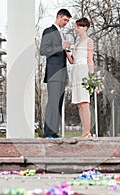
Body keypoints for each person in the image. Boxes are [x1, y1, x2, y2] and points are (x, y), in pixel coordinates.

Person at [40, 9, 72, 138]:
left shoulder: (61, 34)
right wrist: (61, 47)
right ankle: (48, 133)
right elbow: (43, 50)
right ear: (59, 17)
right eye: (65, 20)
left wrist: (66, 76)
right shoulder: (49, 31)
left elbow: (63, 57)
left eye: (68, 21)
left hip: (61, 75)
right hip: (53, 73)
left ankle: (53, 132)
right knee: (52, 102)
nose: (66, 23)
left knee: (58, 103)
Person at [69, 17, 94, 138]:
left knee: (85, 102)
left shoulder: (89, 41)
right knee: (79, 103)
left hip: (84, 71)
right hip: (76, 71)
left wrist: (92, 76)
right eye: (75, 27)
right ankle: (84, 131)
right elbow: (72, 61)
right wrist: (66, 51)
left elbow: (90, 59)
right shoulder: (76, 43)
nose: (76, 29)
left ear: (85, 28)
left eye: (78, 27)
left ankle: (87, 132)